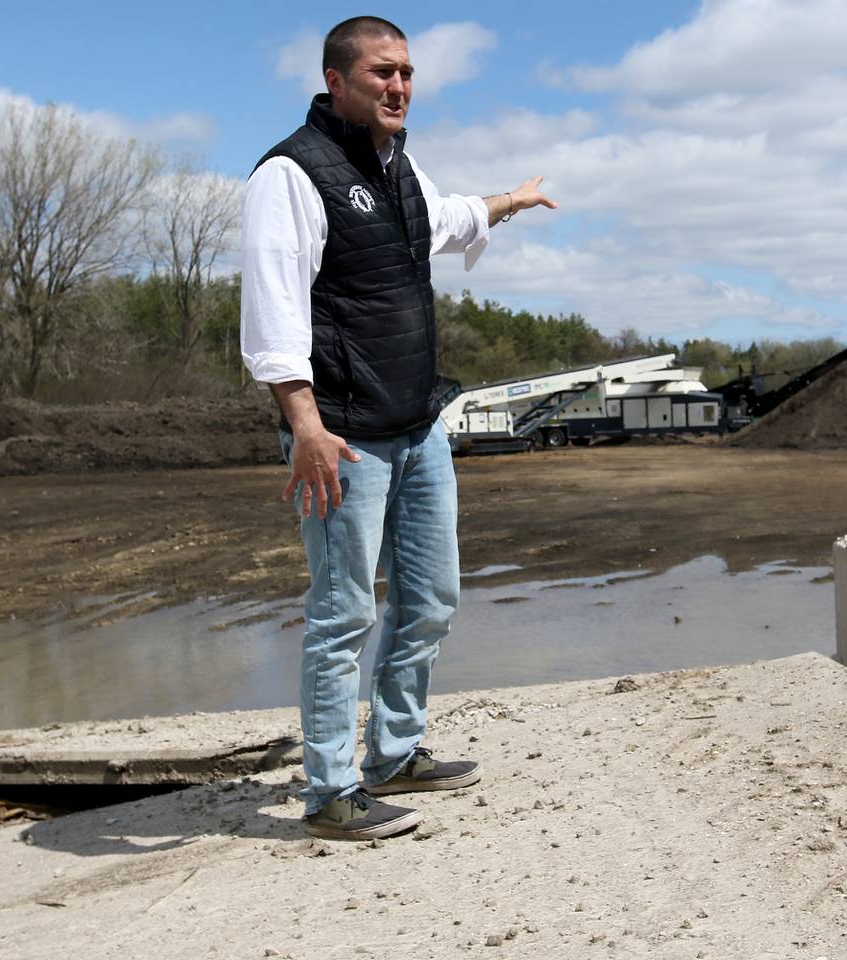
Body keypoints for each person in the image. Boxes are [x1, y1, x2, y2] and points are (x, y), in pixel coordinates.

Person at [240, 15, 557, 841]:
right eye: (382, 72)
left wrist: (509, 204)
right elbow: (273, 313)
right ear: (336, 80)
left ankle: (394, 749)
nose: (399, 86)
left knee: (430, 598)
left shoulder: (398, 167)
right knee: (343, 613)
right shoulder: (290, 174)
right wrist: (304, 426)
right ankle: (331, 792)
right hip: (342, 437)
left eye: (408, 72)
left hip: (418, 427)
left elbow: (446, 221)